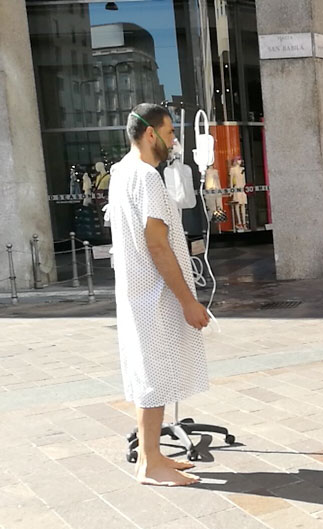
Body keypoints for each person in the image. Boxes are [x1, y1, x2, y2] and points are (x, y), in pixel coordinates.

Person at [106, 103, 210, 486]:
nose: (174, 141)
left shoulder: (121, 172)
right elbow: (157, 244)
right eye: (169, 133)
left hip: (137, 292)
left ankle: (153, 454)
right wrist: (188, 301)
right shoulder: (147, 177)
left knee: (150, 373)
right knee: (155, 374)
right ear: (150, 134)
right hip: (154, 295)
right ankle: (150, 464)